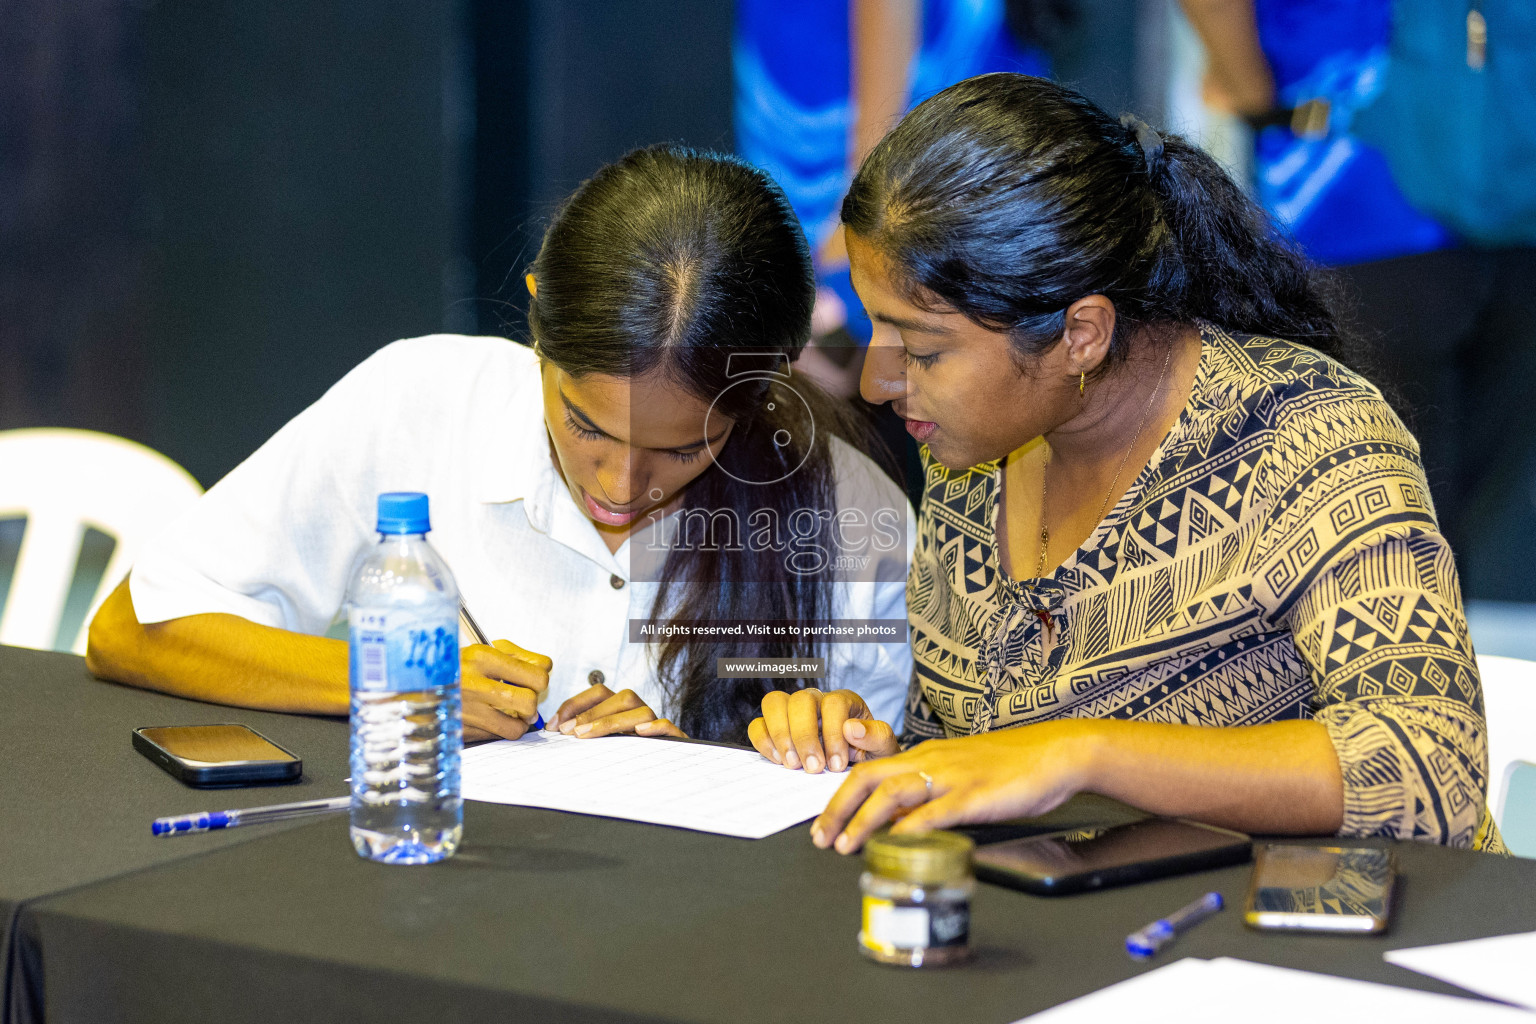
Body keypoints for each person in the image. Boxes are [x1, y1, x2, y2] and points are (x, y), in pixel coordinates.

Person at [749, 74, 1505, 854]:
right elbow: (979, 741)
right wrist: (894, 755)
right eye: (879, 328)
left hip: (1347, 945)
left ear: (1081, 334)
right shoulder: (970, 456)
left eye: (926, 350)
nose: (879, 380)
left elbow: (1429, 770)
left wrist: (1085, 753)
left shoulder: (1306, 436)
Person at [86, 145, 913, 748]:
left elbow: (869, 773)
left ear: (760, 393)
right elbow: (133, 627)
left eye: (685, 450)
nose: (620, 482)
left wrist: (796, 748)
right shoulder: (421, 403)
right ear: (537, 325)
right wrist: (400, 682)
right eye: (585, 424)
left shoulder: (849, 515)